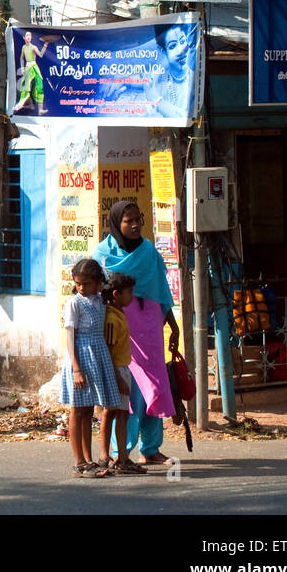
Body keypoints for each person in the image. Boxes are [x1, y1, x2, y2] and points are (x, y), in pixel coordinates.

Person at [92, 200, 180, 464]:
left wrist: (173, 326)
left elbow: (162, 290)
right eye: (127, 220)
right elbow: (97, 294)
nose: (133, 225)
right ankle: (121, 452)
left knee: (155, 387)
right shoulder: (103, 254)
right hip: (121, 328)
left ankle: (151, 448)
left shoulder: (149, 252)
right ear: (116, 223)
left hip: (151, 327)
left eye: (137, 220)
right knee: (128, 392)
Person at [59, 257, 124, 478]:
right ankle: (79, 462)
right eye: (78, 283)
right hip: (80, 356)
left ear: (97, 283)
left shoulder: (99, 301)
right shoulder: (74, 303)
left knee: (88, 410)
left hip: (98, 354)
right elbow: (69, 336)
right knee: (78, 410)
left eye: (86, 283)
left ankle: (89, 460)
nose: (81, 288)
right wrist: (76, 369)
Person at [101, 272, 146, 474]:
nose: (132, 296)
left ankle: (122, 456)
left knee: (121, 413)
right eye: (129, 292)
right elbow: (109, 349)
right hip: (116, 369)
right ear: (117, 294)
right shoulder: (111, 318)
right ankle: (106, 455)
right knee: (111, 413)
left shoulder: (118, 314)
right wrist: (117, 377)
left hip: (122, 368)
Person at [146, 24, 195, 118]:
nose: (181, 51)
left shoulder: (195, 78)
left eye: (183, 41)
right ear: (163, 51)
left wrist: (157, 101)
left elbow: (185, 118)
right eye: (172, 46)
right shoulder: (160, 76)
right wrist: (121, 82)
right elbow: (143, 80)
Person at [14, 30, 48, 114]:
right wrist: (22, 67)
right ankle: (25, 103)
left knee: (39, 86)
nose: (29, 37)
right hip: (28, 67)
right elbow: (21, 57)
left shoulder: (33, 47)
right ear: (24, 37)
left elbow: (40, 55)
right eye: (27, 35)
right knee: (25, 85)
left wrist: (45, 45)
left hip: (34, 67)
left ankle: (40, 109)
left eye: (30, 35)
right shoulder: (24, 47)